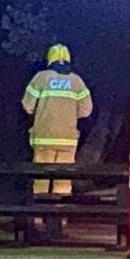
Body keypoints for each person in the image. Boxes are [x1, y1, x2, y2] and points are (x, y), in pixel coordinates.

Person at [21, 43, 93, 196]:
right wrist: (68, 115)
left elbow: (27, 106)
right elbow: (86, 111)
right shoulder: (77, 81)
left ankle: (39, 217)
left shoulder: (41, 78)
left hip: (43, 138)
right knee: (63, 180)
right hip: (68, 140)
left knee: (41, 178)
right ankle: (61, 216)